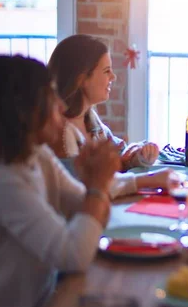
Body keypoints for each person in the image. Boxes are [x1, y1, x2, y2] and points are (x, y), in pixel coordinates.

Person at [0, 55, 120, 307]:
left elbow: (93, 213)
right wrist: (98, 185)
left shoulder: (37, 156)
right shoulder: (3, 180)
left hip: (46, 305)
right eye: (51, 99)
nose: (62, 108)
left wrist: (94, 185)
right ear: (24, 111)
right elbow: (73, 253)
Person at [47, 34, 175, 197]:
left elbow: (119, 153)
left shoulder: (91, 121)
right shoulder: (62, 133)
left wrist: (139, 155)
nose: (113, 77)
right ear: (82, 79)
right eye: (107, 71)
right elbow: (84, 188)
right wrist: (149, 179)